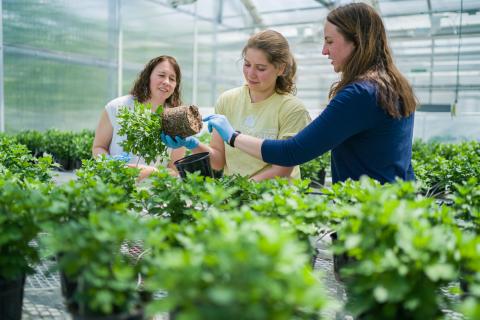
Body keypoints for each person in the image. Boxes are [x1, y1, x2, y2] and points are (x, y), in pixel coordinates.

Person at [202, 3, 417, 184]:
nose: (324, 50)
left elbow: (293, 152)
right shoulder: (392, 85)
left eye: (330, 41)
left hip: (369, 214)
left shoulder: (361, 94)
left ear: (357, 42)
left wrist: (232, 136)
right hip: (393, 204)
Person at [162, 30, 311, 181]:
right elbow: (218, 162)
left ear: (280, 69)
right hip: (236, 197)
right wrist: (192, 144)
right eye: (247, 64)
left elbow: (282, 169)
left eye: (261, 68)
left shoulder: (292, 109)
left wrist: (242, 190)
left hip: (274, 200)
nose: (251, 74)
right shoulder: (227, 100)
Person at [92, 55, 185, 180]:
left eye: (172, 79)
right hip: (116, 186)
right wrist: (115, 167)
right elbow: (99, 148)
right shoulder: (117, 107)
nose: (166, 82)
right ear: (148, 77)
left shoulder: (178, 120)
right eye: (161, 75)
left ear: (176, 85)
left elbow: (175, 170)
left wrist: (152, 172)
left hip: (156, 194)